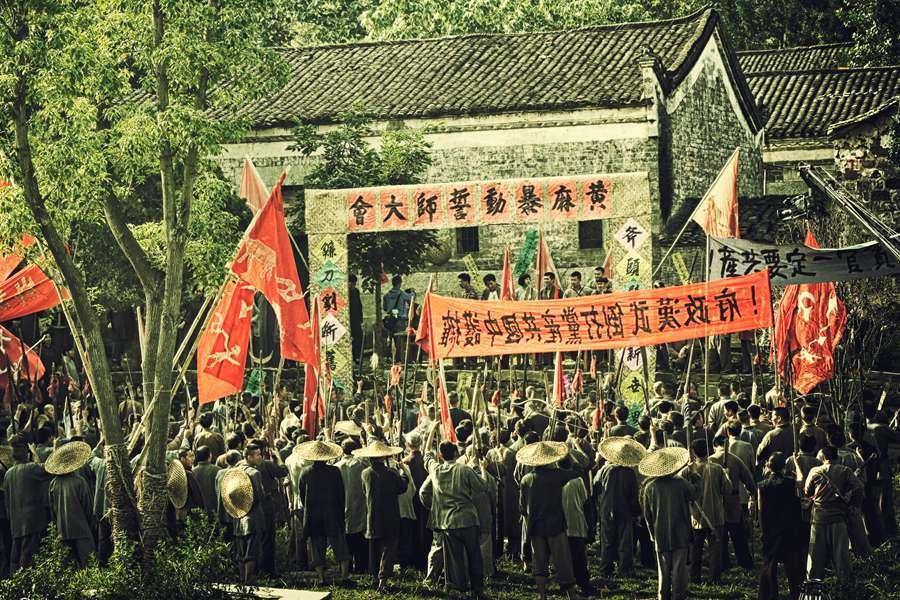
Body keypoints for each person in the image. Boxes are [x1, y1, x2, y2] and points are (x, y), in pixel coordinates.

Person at [423, 421, 486, 597]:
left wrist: (432, 430)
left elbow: (426, 454)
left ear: (441, 455)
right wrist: (482, 469)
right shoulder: (465, 470)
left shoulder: (435, 470)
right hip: (467, 519)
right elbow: (482, 487)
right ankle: (477, 589)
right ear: (457, 453)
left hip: (447, 523)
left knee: (454, 559)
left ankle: (458, 588)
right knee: (474, 556)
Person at [517, 441, 579, 600]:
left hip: (536, 527)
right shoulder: (557, 475)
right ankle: (571, 595)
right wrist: (569, 455)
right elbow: (578, 471)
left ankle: (542, 595)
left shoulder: (526, 479)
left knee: (539, 563)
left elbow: (522, 507)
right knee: (563, 561)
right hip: (556, 525)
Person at [639, 446, 698, 600]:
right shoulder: (681, 483)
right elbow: (695, 494)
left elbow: (647, 515)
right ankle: (678, 596)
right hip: (681, 533)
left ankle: (663, 596)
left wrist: (652, 534)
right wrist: (694, 474)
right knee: (679, 570)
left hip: (661, 533)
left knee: (663, 570)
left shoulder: (650, 487)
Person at [295, 440, 352, 585]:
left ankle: (321, 578)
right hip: (332, 513)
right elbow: (341, 494)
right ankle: (344, 577)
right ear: (327, 457)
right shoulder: (334, 472)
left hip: (314, 514)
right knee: (340, 545)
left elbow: (302, 495)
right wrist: (341, 511)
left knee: (317, 547)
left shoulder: (305, 473)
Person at [804, 445, 864, 580]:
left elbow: (807, 491)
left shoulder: (815, 471)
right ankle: (844, 583)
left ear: (823, 457)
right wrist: (854, 505)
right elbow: (859, 487)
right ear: (836, 457)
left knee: (815, 556)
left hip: (819, 518)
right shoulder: (845, 470)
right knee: (841, 556)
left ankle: (813, 584)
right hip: (838, 517)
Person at [356, 440, 408, 590]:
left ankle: (374, 576)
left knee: (374, 548)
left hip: (372, 515)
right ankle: (383, 579)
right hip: (390, 515)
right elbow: (402, 488)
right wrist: (404, 473)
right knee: (389, 547)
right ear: (383, 457)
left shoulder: (365, 473)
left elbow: (365, 491)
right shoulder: (391, 473)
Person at [594, 437, 644, 579]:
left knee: (607, 540)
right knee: (624, 542)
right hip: (624, 510)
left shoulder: (604, 470)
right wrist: (636, 513)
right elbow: (633, 496)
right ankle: (625, 570)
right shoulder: (629, 473)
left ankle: (605, 569)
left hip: (606, 508)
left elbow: (595, 486)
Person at [758, 452, 804, 600]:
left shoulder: (763, 486)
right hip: (789, 527)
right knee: (792, 563)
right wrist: (797, 463)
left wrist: (762, 529)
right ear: (784, 467)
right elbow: (801, 481)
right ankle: (795, 593)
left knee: (770, 564)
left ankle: (769, 595)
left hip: (771, 528)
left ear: (769, 466)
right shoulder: (790, 483)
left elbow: (760, 510)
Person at [2, 440, 50, 573]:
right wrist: (35, 453)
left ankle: (15, 582)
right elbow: (49, 468)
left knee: (16, 558)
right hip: (31, 523)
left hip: (15, 523)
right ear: (26, 454)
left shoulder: (8, 474)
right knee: (28, 560)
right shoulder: (31, 468)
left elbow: (7, 502)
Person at [710, 435, 756, 572]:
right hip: (733, 501)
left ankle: (724, 562)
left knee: (721, 535)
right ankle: (745, 562)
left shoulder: (710, 461)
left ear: (714, 446)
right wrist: (752, 493)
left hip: (716, 502)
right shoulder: (735, 460)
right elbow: (748, 480)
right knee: (738, 533)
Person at [221, 447, 267, 584]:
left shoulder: (234, 472)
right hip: (253, 517)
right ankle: (249, 580)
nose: (260, 457)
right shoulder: (255, 473)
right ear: (249, 457)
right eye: (257, 455)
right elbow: (259, 496)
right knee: (251, 551)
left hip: (238, 516)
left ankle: (242, 580)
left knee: (241, 552)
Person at [46, 441, 95, 567]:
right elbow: (88, 507)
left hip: (62, 530)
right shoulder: (79, 481)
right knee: (89, 564)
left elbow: (52, 510)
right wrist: (90, 524)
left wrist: (57, 527)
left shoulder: (53, 484)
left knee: (68, 567)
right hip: (81, 529)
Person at [688, 439, 732, 584]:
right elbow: (727, 489)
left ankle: (695, 576)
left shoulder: (688, 470)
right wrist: (727, 475)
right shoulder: (716, 469)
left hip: (697, 516)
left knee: (696, 548)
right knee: (715, 549)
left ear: (693, 453)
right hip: (715, 515)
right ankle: (714, 578)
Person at [336, 437, 368, 574]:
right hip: (359, 504)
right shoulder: (362, 464)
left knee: (345, 539)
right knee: (360, 538)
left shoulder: (336, 467)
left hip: (342, 505)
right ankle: (361, 567)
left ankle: (346, 567)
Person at [383, 275, 414, 362]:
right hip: (400, 320)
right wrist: (412, 292)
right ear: (399, 283)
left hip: (390, 320)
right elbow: (411, 297)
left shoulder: (386, 295)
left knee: (390, 339)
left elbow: (385, 308)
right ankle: (399, 359)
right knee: (400, 340)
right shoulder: (402, 294)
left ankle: (389, 358)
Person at [192, 445, 222, 515]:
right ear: (210, 456)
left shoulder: (192, 472)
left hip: (198, 511)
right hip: (214, 509)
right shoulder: (218, 470)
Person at [348, 273, 364, 362]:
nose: (353, 285)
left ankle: (357, 357)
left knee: (358, 337)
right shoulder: (344, 292)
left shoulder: (356, 292)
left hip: (356, 319)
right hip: (348, 319)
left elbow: (359, 305)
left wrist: (361, 318)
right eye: (352, 283)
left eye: (354, 284)